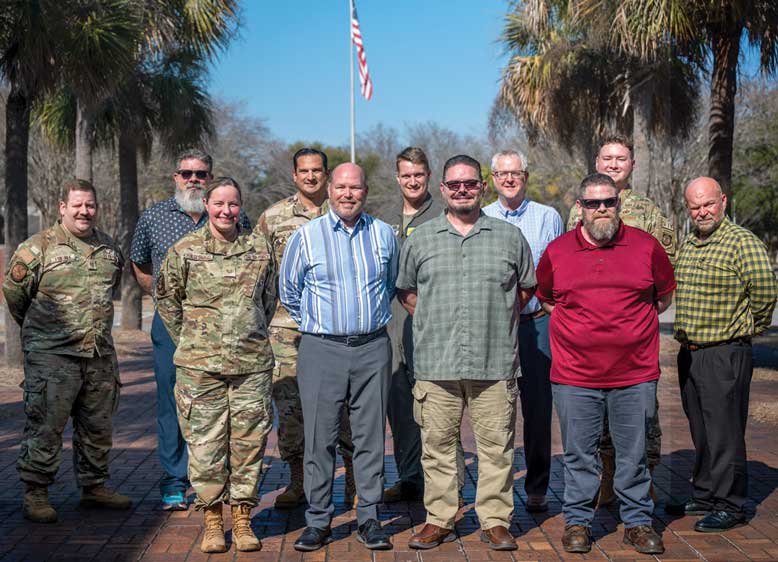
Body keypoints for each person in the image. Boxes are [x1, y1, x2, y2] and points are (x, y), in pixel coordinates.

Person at [397, 155, 536, 551]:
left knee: (496, 447)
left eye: (470, 183)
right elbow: (407, 292)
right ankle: (440, 518)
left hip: (494, 361)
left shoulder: (508, 237)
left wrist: (494, 317)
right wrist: (435, 319)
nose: (462, 189)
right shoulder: (420, 238)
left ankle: (494, 519)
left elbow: (525, 288)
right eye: (454, 184)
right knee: (437, 447)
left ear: (482, 187)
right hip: (436, 362)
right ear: (442, 189)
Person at [536, 173, 675, 555]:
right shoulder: (558, 251)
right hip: (575, 376)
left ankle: (637, 522)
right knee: (580, 453)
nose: (601, 209)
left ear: (619, 204)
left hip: (634, 375)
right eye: (593, 203)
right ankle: (578, 522)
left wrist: (626, 329)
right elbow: (547, 299)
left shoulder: (646, 247)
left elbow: (662, 297)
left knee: (633, 454)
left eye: (608, 202)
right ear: (580, 207)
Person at [280, 163, 398, 552]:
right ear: (330, 189)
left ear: (366, 191)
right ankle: (318, 520)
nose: (348, 194)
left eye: (356, 188)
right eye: (342, 187)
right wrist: (320, 325)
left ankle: (369, 518)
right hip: (321, 348)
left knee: (369, 437)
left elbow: (392, 283)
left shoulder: (383, 235)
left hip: (372, 347)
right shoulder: (306, 237)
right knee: (320, 437)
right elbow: (289, 291)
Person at [156, 177, 276, 553]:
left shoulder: (260, 248)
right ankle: (211, 519)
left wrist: (247, 334)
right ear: (206, 204)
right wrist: (193, 341)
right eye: (219, 203)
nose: (227, 211)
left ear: (241, 206)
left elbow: (268, 299)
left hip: (251, 366)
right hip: (199, 368)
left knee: (248, 444)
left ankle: (242, 518)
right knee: (205, 446)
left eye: (234, 204)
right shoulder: (184, 250)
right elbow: (167, 300)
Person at [4, 179, 132, 523]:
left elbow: (108, 296)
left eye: (90, 205)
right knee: (45, 427)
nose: (84, 211)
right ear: (62, 208)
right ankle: (36, 493)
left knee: (97, 428)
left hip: (99, 356)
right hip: (52, 358)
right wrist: (45, 335)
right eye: (77, 205)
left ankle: (94, 488)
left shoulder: (109, 250)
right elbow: (16, 297)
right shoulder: (37, 248)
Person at [130, 149, 250, 510]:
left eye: (201, 173)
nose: (193, 179)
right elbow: (140, 263)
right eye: (187, 173)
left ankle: (214, 479)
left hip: (223, 329)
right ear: (175, 177)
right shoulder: (154, 217)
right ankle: (174, 480)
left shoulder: (235, 216)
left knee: (219, 404)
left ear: (210, 178)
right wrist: (165, 299)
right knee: (172, 400)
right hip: (171, 327)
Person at [567, 135, 676, 506]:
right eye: (607, 158)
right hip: (589, 337)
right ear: (596, 161)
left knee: (640, 416)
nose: (614, 164)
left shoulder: (649, 212)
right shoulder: (576, 207)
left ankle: (641, 483)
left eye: (621, 158)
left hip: (633, 341)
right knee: (595, 417)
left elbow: (666, 268)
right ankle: (605, 480)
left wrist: (644, 311)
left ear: (632, 164)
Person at [670, 177, 777, 532]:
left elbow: (764, 294)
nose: (702, 211)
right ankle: (705, 494)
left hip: (724, 352)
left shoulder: (742, 243)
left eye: (708, 204)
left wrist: (746, 327)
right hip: (690, 353)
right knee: (701, 429)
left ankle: (730, 504)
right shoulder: (690, 243)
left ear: (723, 201)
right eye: (695, 206)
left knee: (725, 431)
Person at [256, 148, 355, 510]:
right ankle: (298, 480)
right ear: (294, 175)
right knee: (292, 409)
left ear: (327, 175)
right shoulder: (273, 218)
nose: (311, 176)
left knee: (344, 407)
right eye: (304, 171)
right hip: (287, 331)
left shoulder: (345, 210)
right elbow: (260, 275)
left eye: (317, 170)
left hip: (335, 329)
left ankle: (353, 480)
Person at [385, 147, 467, 504]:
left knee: (438, 411)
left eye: (418, 175)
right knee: (400, 407)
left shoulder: (445, 215)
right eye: (406, 175)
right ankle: (410, 478)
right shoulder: (384, 219)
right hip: (391, 325)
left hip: (433, 328)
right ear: (397, 178)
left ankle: (453, 484)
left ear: (429, 176)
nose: (412, 181)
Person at [483, 149, 563, 513]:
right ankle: (493, 486)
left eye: (515, 173)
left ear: (526, 176)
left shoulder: (548, 217)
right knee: (493, 409)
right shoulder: (481, 217)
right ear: (493, 179)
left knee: (537, 409)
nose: (509, 179)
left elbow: (557, 272)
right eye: (502, 174)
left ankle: (537, 485)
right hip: (494, 328)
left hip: (536, 325)